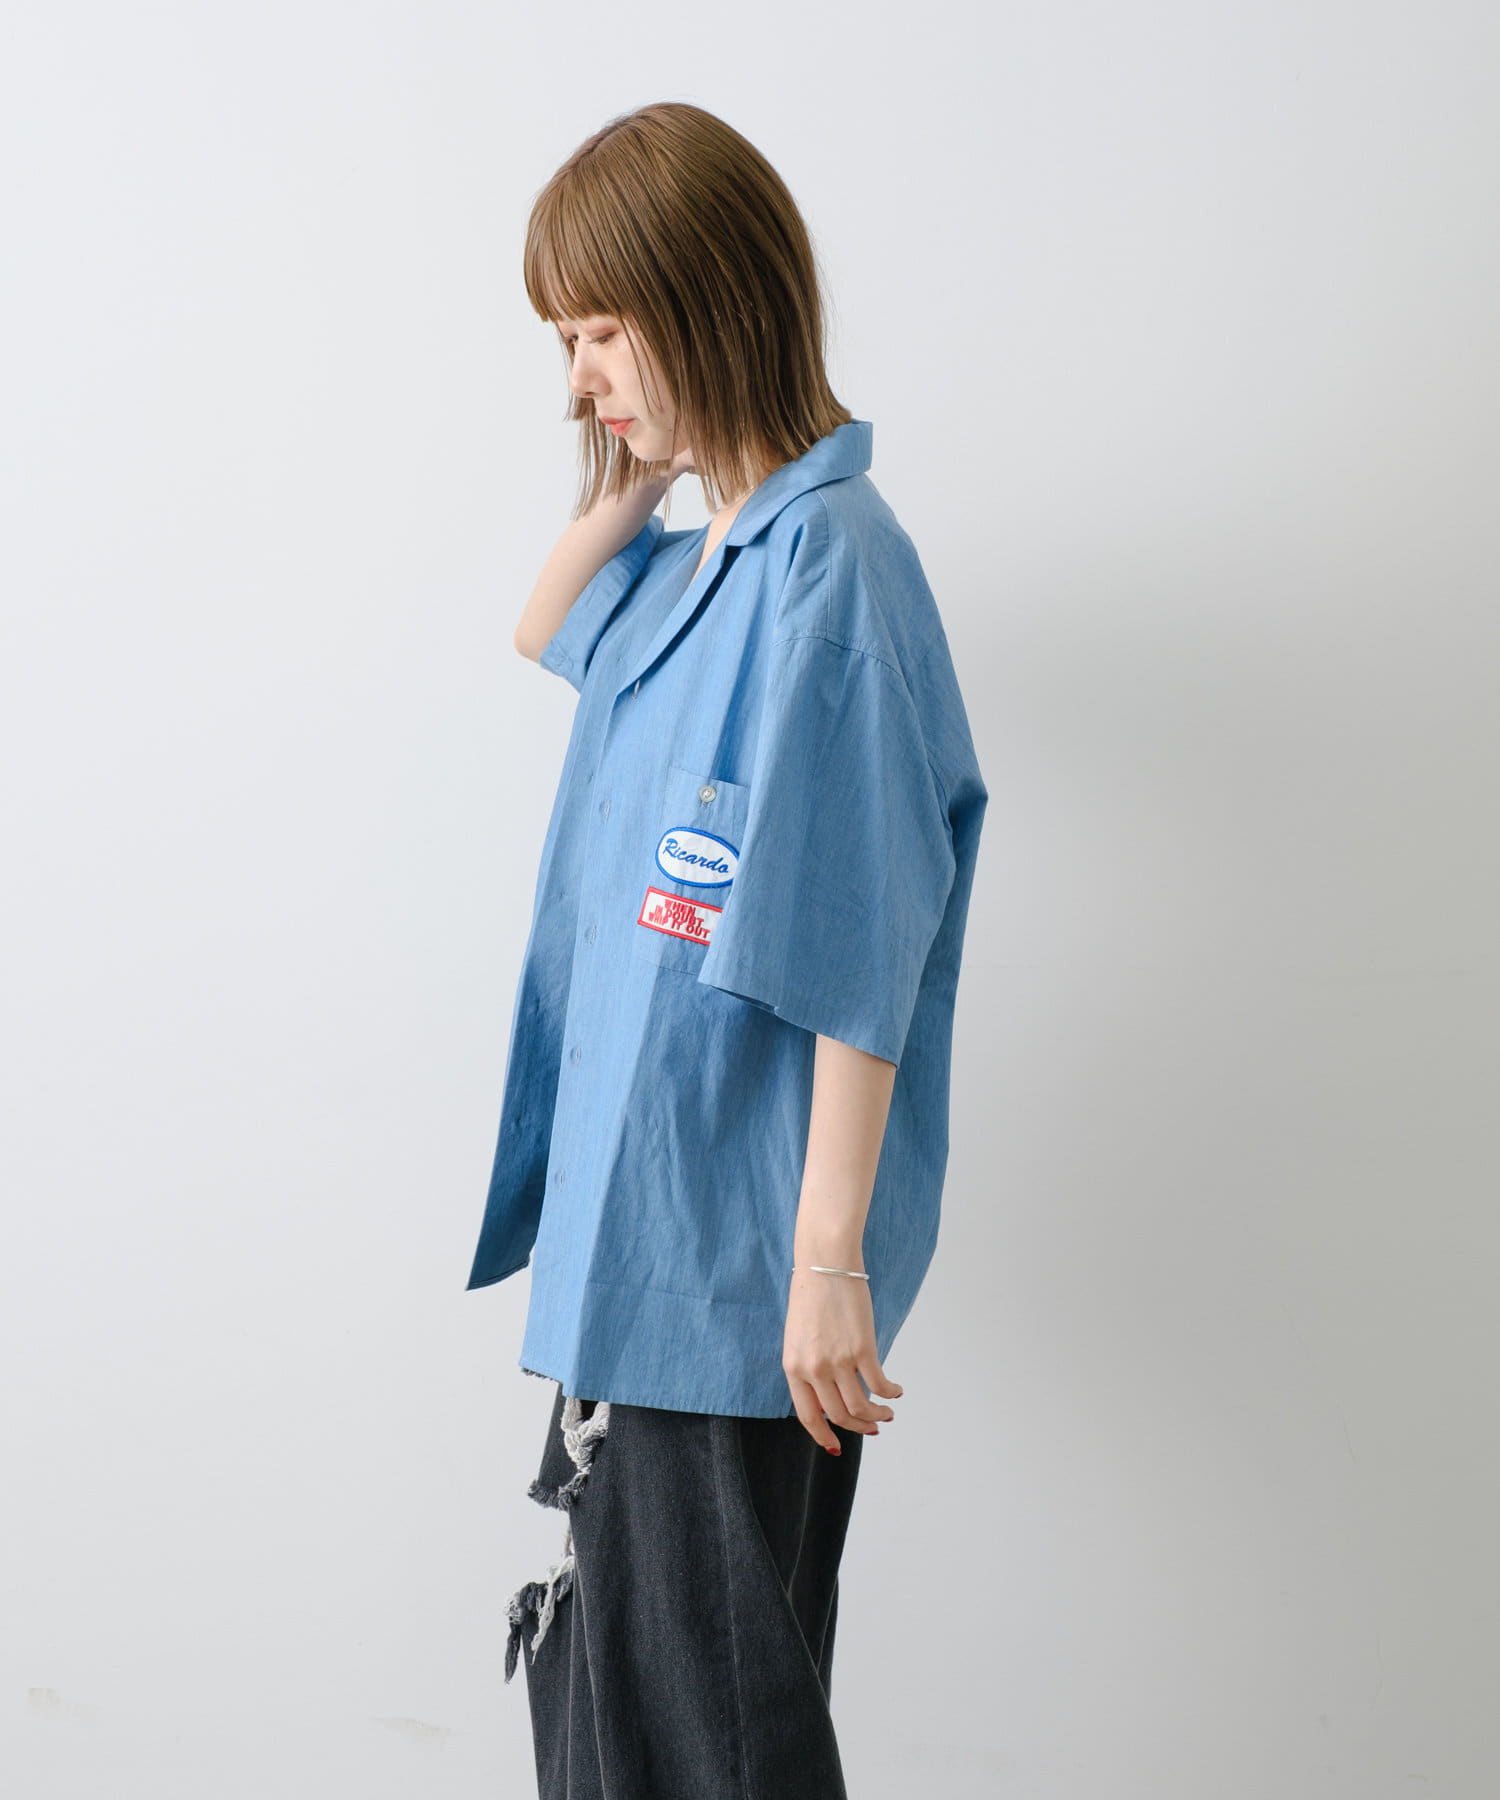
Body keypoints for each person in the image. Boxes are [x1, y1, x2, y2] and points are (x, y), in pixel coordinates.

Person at [466, 101, 988, 1799]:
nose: (578, 383)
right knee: (623, 1731)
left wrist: (827, 1259)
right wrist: (631, 480)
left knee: (715, 1747)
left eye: (603, 331)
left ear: (710, 301)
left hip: (731, 1278)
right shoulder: (710, 565)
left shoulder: (832, 573)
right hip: (642, 1260)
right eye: (565, 340)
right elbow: (547, 626)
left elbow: (861, 934)